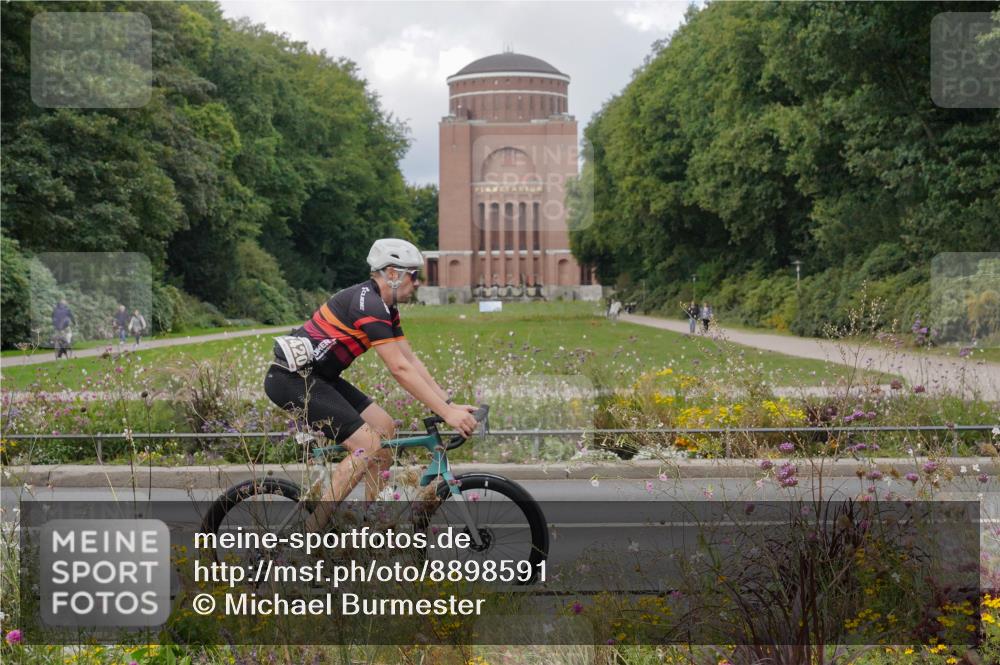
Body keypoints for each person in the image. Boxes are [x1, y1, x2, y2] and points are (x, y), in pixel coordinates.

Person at [263, 238, 478, 530]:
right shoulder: (368, 304)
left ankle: (371, 522)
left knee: (385, 427)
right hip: (291, 380)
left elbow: (410, 360)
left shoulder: (386, 308)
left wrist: (447, 405)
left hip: (319, 378)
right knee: (366, 444)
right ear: (392, 273)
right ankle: (312, 529)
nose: (416, 283)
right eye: (413, 275)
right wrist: (448, 414)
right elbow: (399, 369)